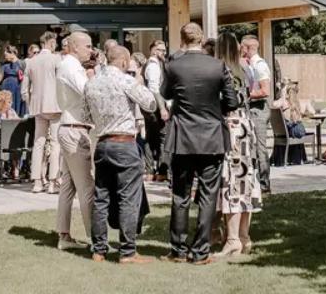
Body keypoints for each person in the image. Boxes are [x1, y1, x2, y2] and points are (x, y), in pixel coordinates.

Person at [161, 22, 239, 265]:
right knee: (208, 195)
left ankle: (178, 250)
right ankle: (200, 251)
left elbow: (165, 94)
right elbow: (232, 101)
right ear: (201, 38)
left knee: (180, 195)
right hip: (211, 136)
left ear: (182, 40)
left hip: (183, 136)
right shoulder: (218, 66)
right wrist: (216, 110)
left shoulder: (174, 66)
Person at [83, 45, 157, 264]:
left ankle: (98, 249)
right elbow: (151, 104)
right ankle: (127, 251)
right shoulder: (126, 80)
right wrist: (139, 81)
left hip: (102, 143)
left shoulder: (91, 83)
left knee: (101, 197)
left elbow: (86, 115)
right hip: (124, 143)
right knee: (128, 197)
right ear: (124, 62)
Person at [215, 34, 263, 257]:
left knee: (233, 185)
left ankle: (233, 239)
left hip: (231, 128)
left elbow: (224, 101)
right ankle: (245, 237)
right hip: (246, 126)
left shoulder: (222, 71)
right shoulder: (244, 70)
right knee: (246, 183)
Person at [54, 31, 95, 250]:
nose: (91, 50)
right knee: (87, 187)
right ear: (75, 47)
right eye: (88, 46)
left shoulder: (68, 65)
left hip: (70, 126)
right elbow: (90, 91)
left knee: (68, 187)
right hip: (75, 129)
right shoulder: (70, 66)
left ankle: (64, 235)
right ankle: (96, 238)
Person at [23, 31, 63, 194]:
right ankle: (52, 181)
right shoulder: (56, 59)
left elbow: (24, 89)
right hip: (54, 105)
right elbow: (61, 82)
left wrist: (30, 103)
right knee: (55, 143)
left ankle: (37, 181)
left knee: (38, 143)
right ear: (51, 43)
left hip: (37, 106)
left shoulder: (31, 62)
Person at [239, 35, 272, 195]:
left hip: (259, 109)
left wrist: (246, 94)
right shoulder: (249, 64)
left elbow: (265, 91)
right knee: (250, 146)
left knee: (260, 147)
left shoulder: (259, 65)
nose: (240, 50)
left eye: (242, 47)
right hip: (250, 108)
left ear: (248, 48)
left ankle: (265, 183)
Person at [142, 40, 170, 182]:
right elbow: (154, 88)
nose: (163, 53)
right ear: (153, 50)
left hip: (149, 107)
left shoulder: (156, 64)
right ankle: (161, 172)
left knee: (151, 137)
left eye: (164, 50)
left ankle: (150, 171)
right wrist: (162, 108)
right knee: (163, 138)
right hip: (155, 107)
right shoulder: (153, 65)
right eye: (160, 50)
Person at [0, 45, 24, 117]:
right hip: (6, 87)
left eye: (6, 55)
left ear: (12, 53)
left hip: (17, 88)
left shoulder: (21, 63)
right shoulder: (5, 65)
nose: (5, 57)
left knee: (15, 105)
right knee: (5, 106)